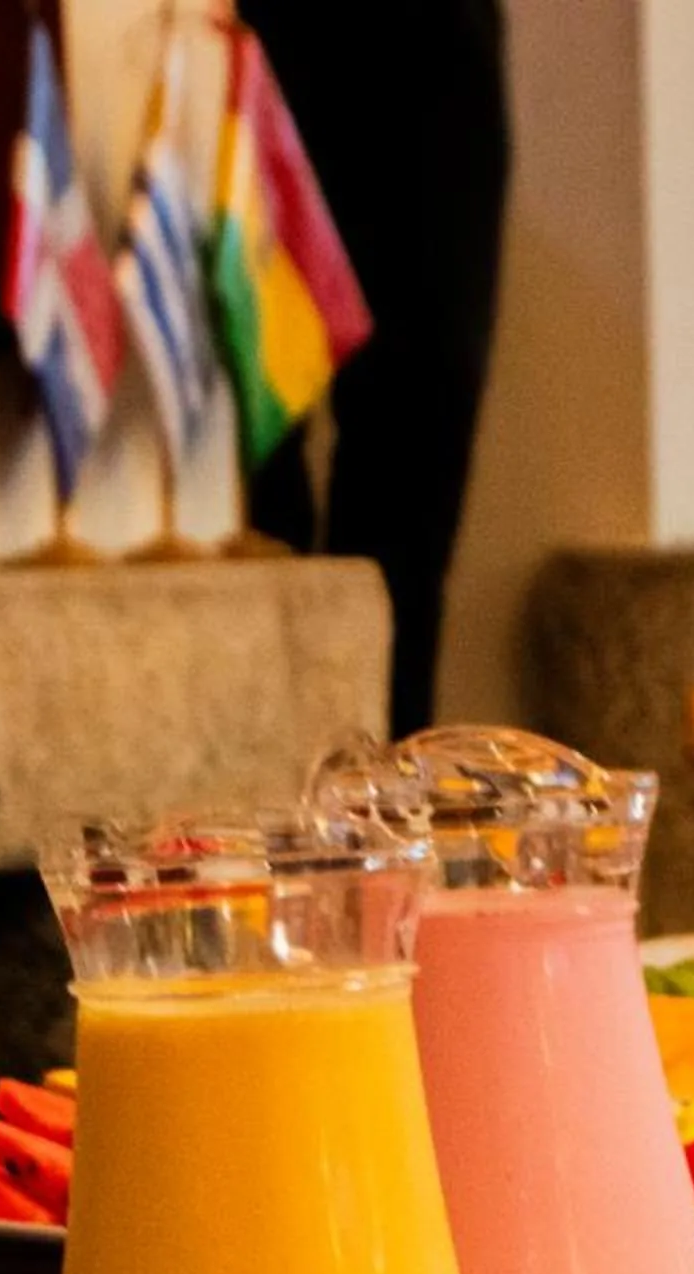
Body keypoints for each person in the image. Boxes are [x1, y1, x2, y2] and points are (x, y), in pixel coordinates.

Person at [239, 0, 510, 738]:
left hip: (439, 42)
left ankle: (386, 770)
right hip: (268, 31)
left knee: (425, 427)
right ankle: (268, 766)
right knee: (255, 460)